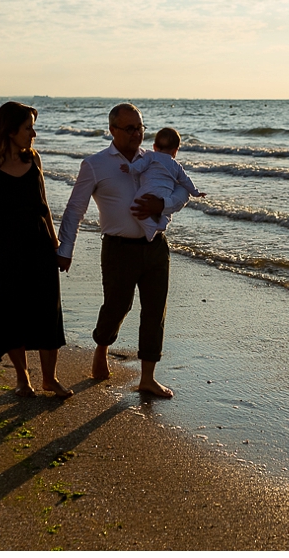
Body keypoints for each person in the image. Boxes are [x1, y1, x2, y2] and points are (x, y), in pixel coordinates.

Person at [56, 103, 189, 397]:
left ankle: (147, 377)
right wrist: (65, 248)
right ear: (112, 130)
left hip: (155, 246)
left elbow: (183, 190)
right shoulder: (95, 164)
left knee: (155, 311)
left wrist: (163, 205)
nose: (136, 133)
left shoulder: (156, 159)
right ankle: (101, 348)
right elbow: (75, 208)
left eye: (139, 127)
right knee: (118, 306)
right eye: (129, 128)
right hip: (118, 248)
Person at [0, 101, 72, 399]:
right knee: (10, 312)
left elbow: (43, 203)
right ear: (10, 129)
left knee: (47, 310)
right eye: (28, 128)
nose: (33, 133)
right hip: (2, 248)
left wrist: (55, 243)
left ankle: (50, 379)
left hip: (38, 245)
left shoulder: (33, 159)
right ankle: (22, 378)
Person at [119, 126, 206, 241]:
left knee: (135, 208)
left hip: (149, 189)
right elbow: (185, 180)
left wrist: (130, 168)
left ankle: (150, 228)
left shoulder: (150, 156)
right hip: (166, 192)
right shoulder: (176, 165)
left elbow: (140, 166)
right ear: (175, 150)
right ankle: (163, 223)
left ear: (154, 147)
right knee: (166, 210)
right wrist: (196, 192)